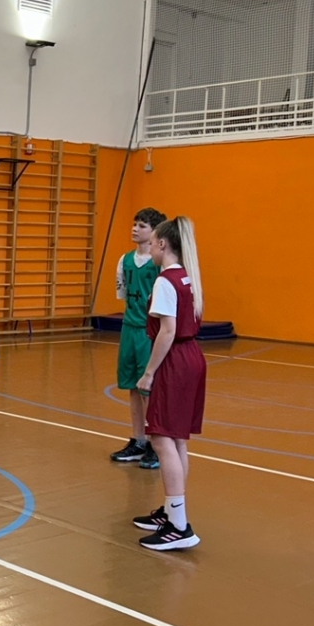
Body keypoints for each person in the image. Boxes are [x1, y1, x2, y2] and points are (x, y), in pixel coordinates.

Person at [132, 217, 206, 551]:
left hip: (175, 360)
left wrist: (149, 372)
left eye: (153, 243)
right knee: (176, 439)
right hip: (192, 358)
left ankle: (178, 525)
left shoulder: (165, 281)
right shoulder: (188, 277)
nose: (150, 248)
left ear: (162, 244)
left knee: (161, 438)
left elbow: (168, 330)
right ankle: (172, 511)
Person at [109, 208, 166, 469]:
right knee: (132, 386)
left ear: (154, 232)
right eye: (134, 224)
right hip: (129, 328)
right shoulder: (125, 260)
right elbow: (122, 293)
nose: (135, 229)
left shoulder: (160, 263)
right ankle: (139, 440)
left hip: (148, 330)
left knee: (148, 389)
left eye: (142, 225)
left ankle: (156, 444)